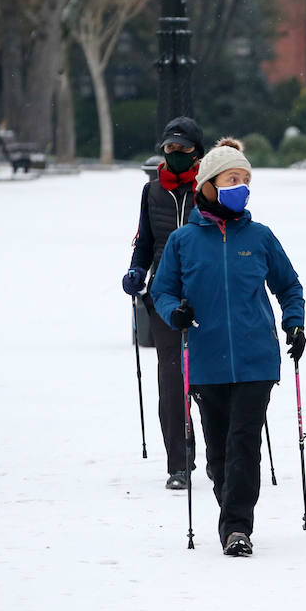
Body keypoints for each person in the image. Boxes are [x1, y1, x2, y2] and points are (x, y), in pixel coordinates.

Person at [151, 138, 306, 557]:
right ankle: (230, 505)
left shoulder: (259, 237)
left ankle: (237, 527)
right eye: (231, 179)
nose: (240, 186)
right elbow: (161, 291)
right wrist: (174, 313)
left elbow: (289, 286)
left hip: (257, 358)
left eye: (245, 180)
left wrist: (294, 324)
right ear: (207, 185)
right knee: (218, 451)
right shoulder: (184, 241)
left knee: (244, 442)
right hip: (205, 358)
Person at [122, 116, 205, 490]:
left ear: (196, 152)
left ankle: (218, 454)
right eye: (169, 149)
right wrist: (137, 271)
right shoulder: (152, 191)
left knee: (207, 380)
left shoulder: (209, 187)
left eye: (182, 149)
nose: (175, 155)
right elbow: (143, 241)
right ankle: (179, 462)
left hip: (207, 296)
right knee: (172, 379)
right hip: (164, 295)